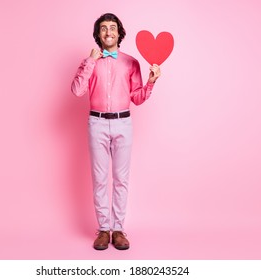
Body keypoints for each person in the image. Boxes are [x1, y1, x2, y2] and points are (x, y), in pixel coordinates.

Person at [71, 13, 161, 250]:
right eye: (103, 28)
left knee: (121, 179)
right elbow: (77, 90)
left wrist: (151, 82)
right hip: (97, 123)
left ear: (119, 33)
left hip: (123, 123)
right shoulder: (90, 62)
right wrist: (90, 61)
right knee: (100, 180)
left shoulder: (131, 63)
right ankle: (103, 229)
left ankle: (118, 229)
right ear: (98, 34)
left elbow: (137, 98)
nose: (108, 32)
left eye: (112, 28)